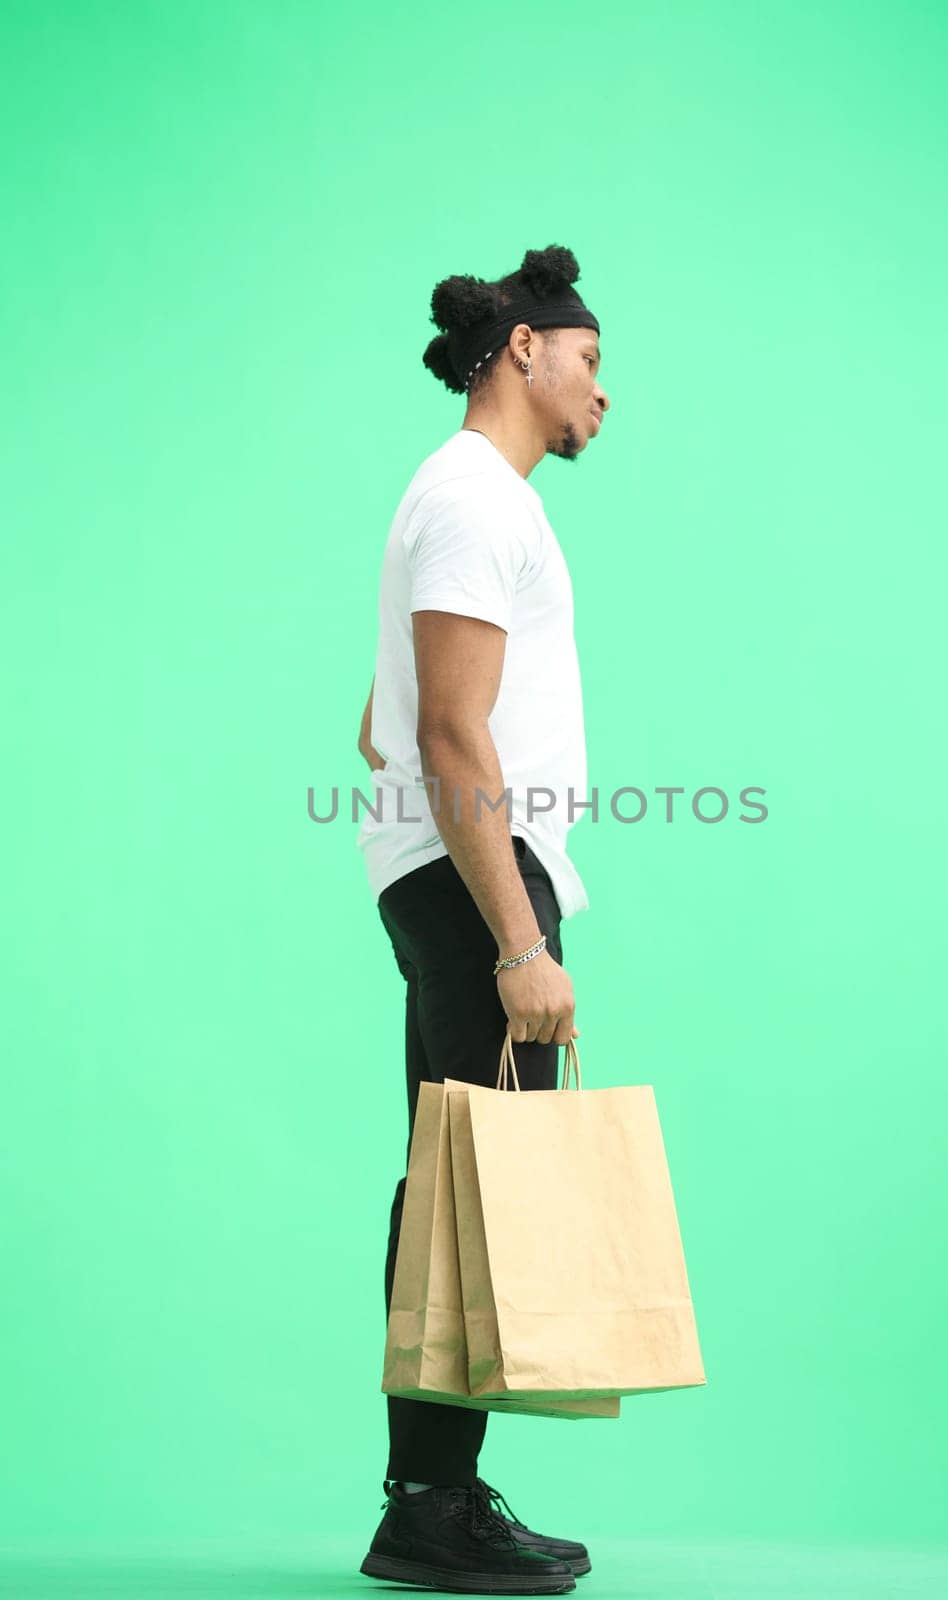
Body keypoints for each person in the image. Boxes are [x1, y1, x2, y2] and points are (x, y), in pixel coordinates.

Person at [355, 245, 611, 1594]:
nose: (602, 390)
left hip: (455, 866)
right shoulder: (471, 498)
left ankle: (434, 1497)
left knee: (458, 1178)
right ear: (524, 351)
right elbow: (447, 728)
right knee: (467, 1186)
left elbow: (379, 725)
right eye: (590, 358)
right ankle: (427, 1506)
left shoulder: (462, 500)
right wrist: (518, 940)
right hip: (477, 877)